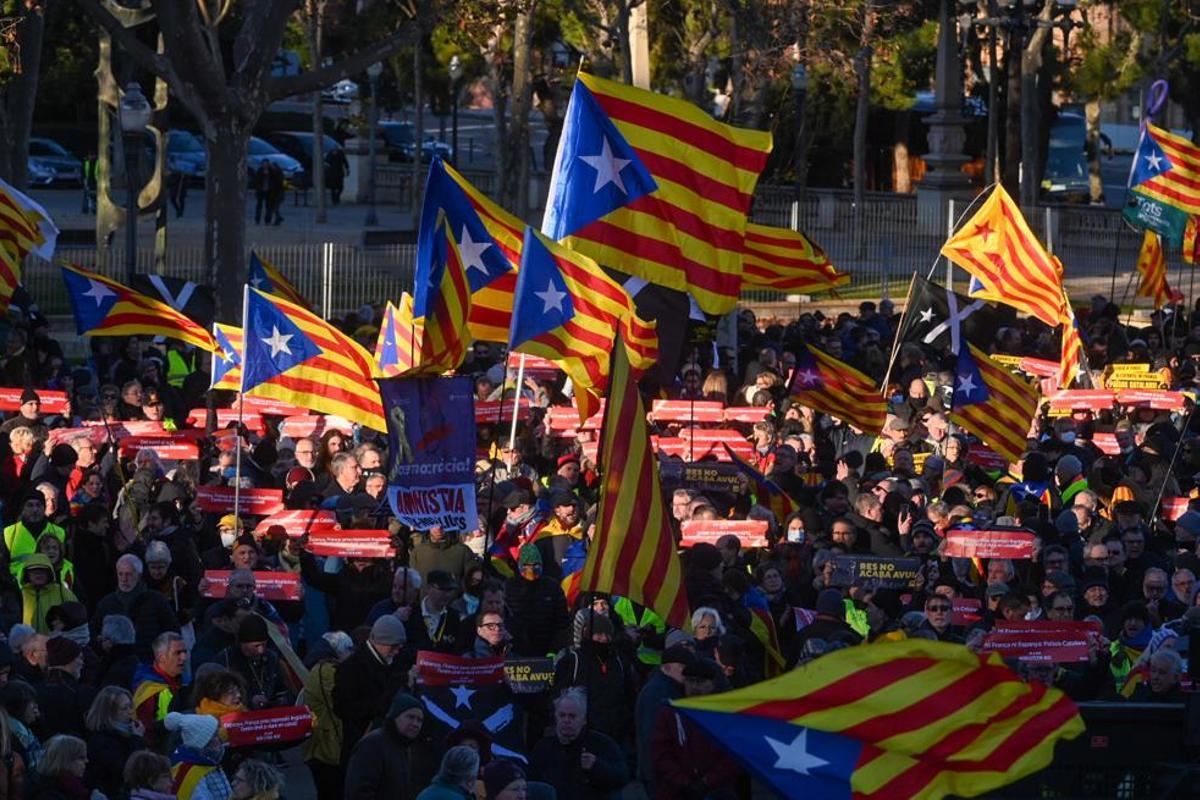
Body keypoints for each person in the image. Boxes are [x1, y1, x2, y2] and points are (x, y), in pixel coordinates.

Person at [334, 615, 411, 760]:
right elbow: (343, 709)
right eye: (393, 646)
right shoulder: (350, 668)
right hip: (361, 743)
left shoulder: (395, 663)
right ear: (379, 641)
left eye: (400, 646)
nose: (397, 651)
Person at [528, 688, 627, 800]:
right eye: (562, 715)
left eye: (572, 716)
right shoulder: (543, 748)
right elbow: (532, 783)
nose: (566, 720)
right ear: (556, 716)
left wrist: (596, 766)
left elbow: (622, 777)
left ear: (583, 719)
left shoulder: (601, 744)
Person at [343, 691, 426, 800]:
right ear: (395, 716)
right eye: (411, 717)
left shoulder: (404, 748)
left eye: (419, 720)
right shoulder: (373, 744)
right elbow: (359, 791)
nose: (416, 724)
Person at [301, 631, 353, 800]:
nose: (352, 655)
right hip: (327, 748)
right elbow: (345, 701)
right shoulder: (327, 671)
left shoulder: (321, 668)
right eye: (349, 650)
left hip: (322, 746)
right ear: (340, 650)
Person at [634, 646, 693, 794]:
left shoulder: (667, 688)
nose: (686, 672)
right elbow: (653, 736)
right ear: (667, 667)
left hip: (662, 771)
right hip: (659, 773)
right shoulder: (658, 692)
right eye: (682, 667)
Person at [211, 615, 287, 710]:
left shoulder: (271, 657)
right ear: (242, 643)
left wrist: (280, 700)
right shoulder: (225, 659)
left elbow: (280, 688)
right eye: (256, 646)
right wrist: (249, 700)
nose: (261, 650)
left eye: (264, 644)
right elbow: (217, 694)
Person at [83, 686, 145, 799]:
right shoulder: (102, 741)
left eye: (130, 706)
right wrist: (137, 740)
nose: (130, 712)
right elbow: (126, 771)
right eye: (124, 708)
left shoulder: (126, 733)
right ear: (109, 713)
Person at [131, 632, 188, 749]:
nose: (184, 657)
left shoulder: (180, 681)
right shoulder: (149, 690)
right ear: (161, 657)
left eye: (184, 652)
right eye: (178, 653)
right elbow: (149, 731)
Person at [34, 637, 92, 739]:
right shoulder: (77, 691)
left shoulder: (36, 689)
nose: (82, 663)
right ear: (68, 659)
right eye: (79, 658)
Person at [163, 712, 230, 800]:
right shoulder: (189, 772)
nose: (220, 739)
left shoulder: (209, 762)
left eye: (218, 733)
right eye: (214, 736)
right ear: (203, 744)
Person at [26, 733, 88, 800]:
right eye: (81, 758)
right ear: (65, 761)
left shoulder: (74, 787)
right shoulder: (48, 794)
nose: (87, 761)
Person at [265, 161, 285, 226]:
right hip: (274, 194)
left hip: (277, 193)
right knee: (274, 208)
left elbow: (279, 183)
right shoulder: (272, 173)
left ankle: (278, 219)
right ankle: (278, 219)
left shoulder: (277, 174)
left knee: (275, 208)